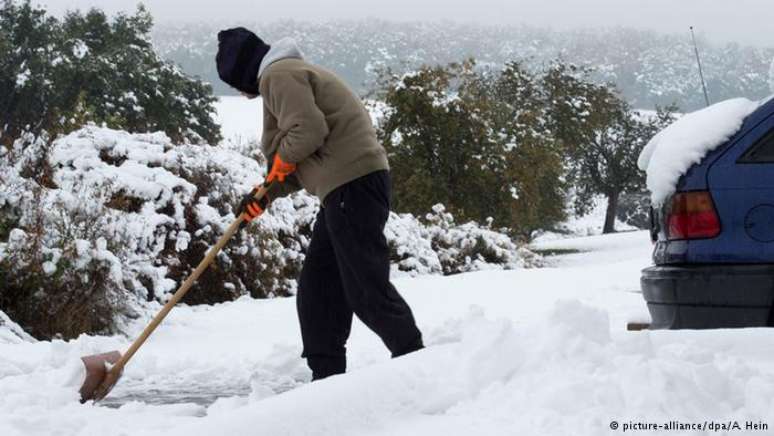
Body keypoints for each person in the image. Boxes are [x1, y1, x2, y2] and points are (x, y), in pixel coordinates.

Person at [215, 28, 423, 380]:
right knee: (319, 291)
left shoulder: (278, 76)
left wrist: (279, 163)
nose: (239, 92)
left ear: (244, 71)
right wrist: (264, 195)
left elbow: (308, 131)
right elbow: (301, 161)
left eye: (235, 82)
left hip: (352, 187)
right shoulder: (286, 76)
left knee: (365, 288)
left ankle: (416, 363)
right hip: (343, 190)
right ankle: (326, 380)